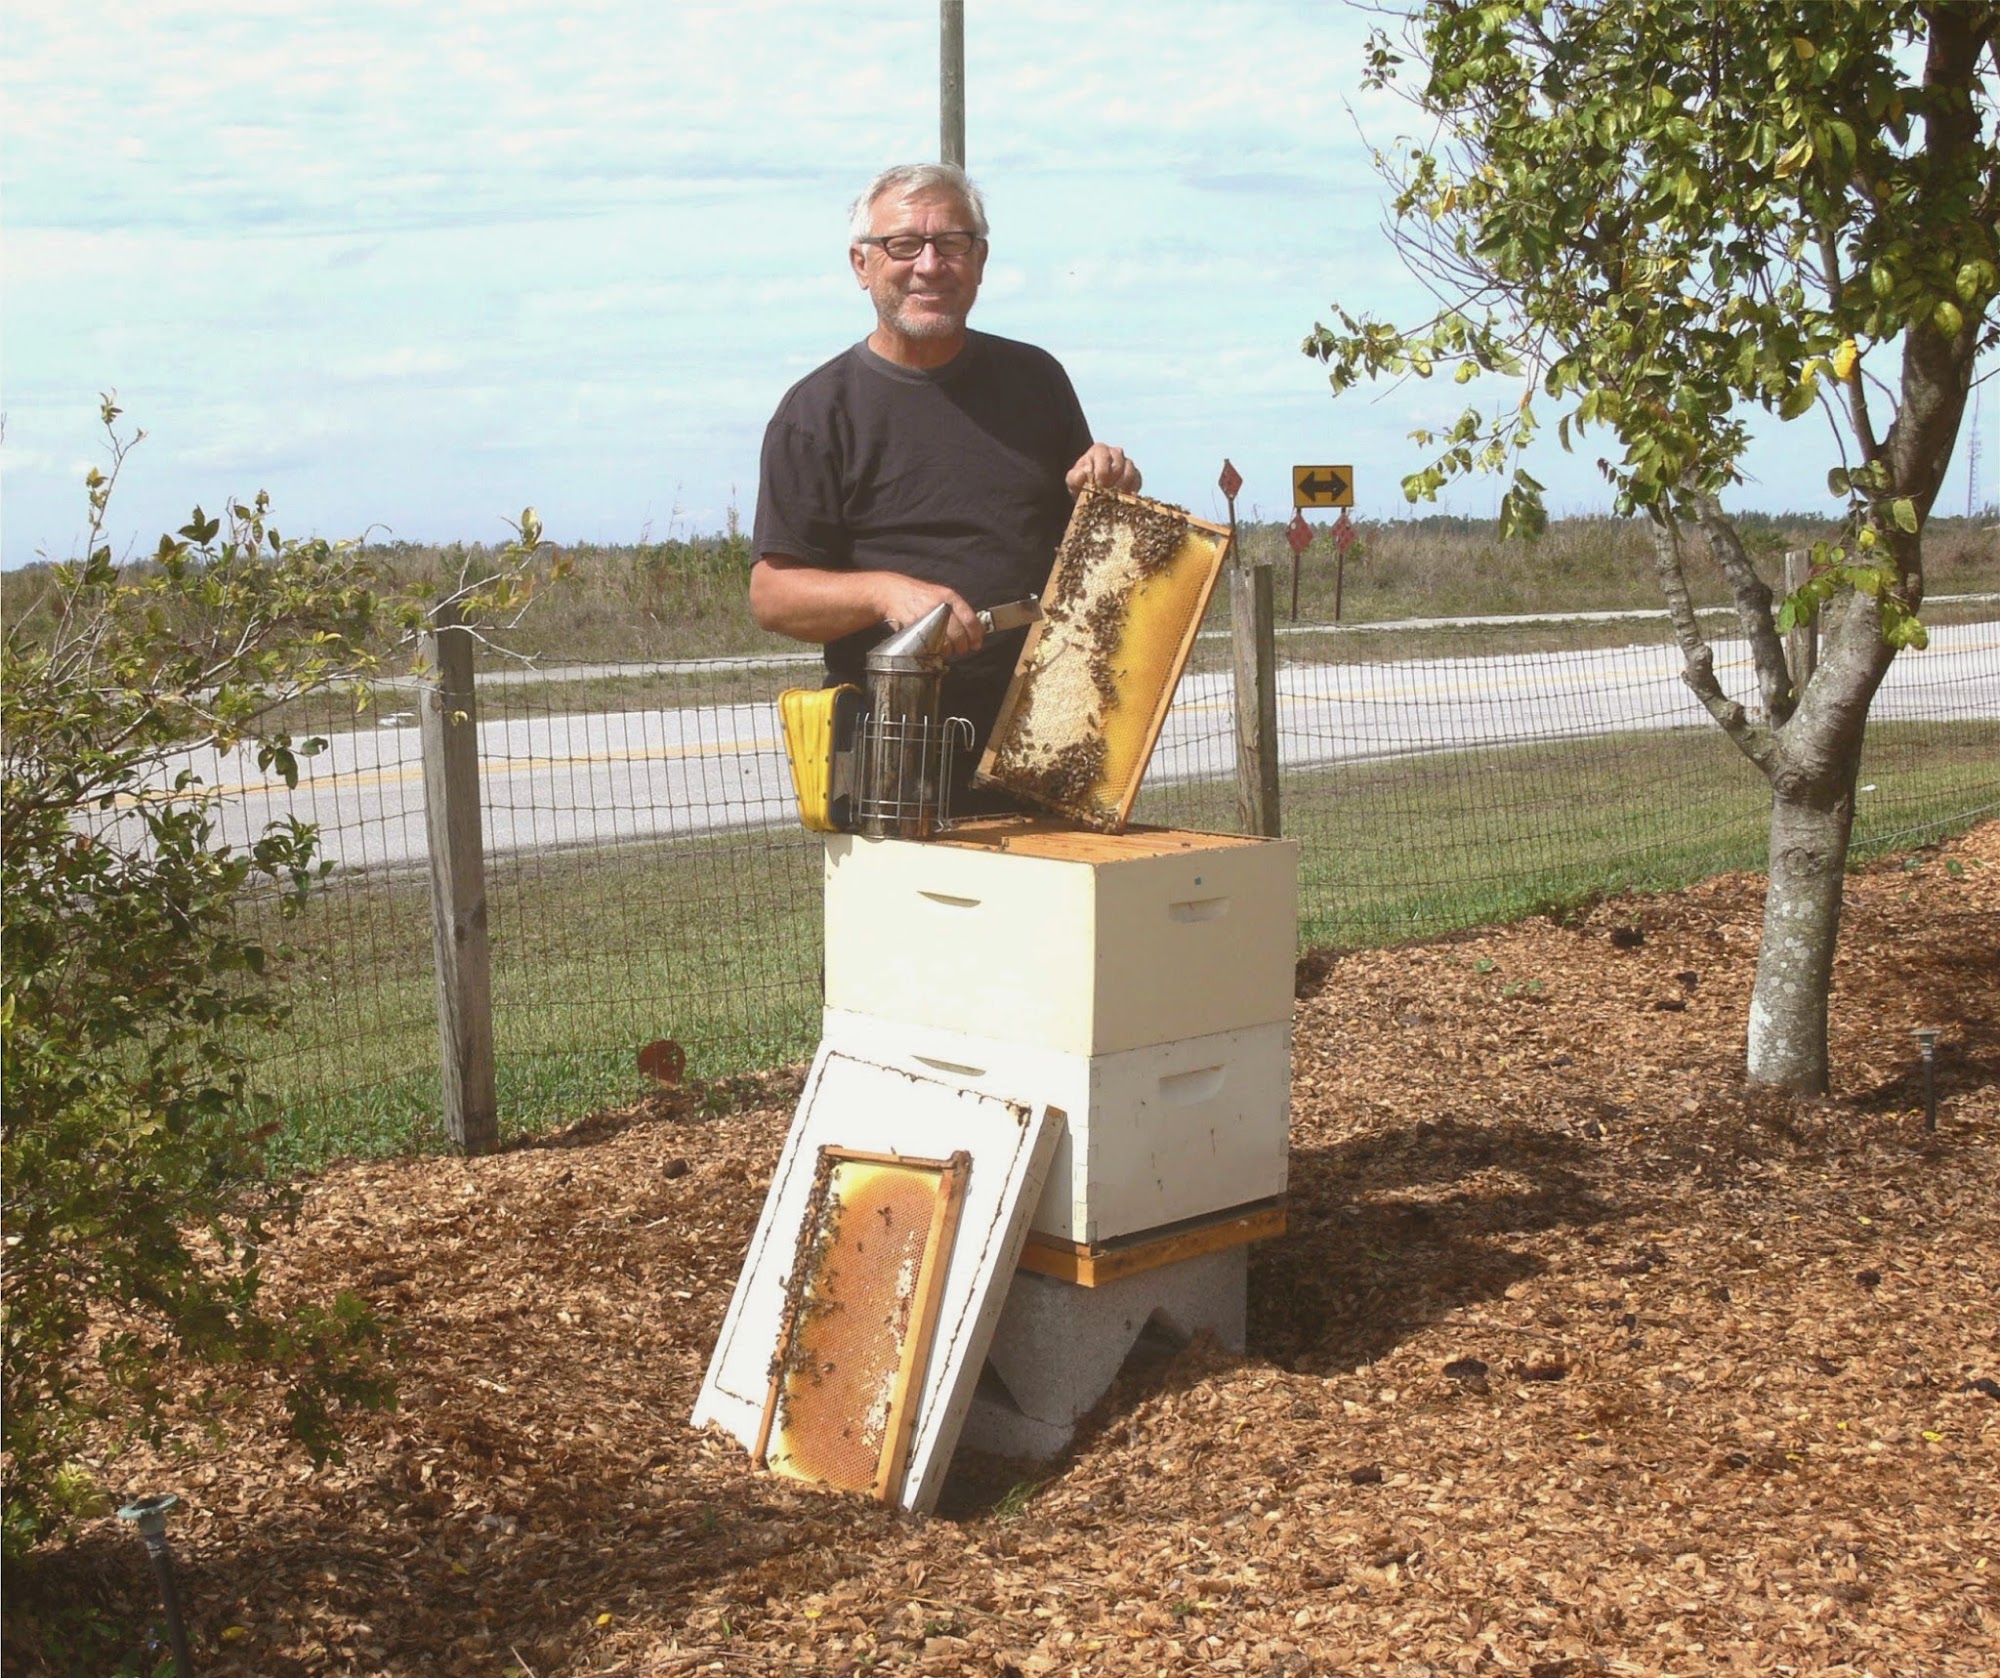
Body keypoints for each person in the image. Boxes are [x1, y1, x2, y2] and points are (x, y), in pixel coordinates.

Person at [749, 162, 1141, 808]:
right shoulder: (817, 413)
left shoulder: (1036, 380)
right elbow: (772, 595)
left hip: (1050, 742)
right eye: (903, 244)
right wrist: (887, 592)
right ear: (861, 264)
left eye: (951, 243)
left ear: (980, 260)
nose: (929, 264)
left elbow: (1091, 544)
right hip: (893, 763)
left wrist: (1106, 485)